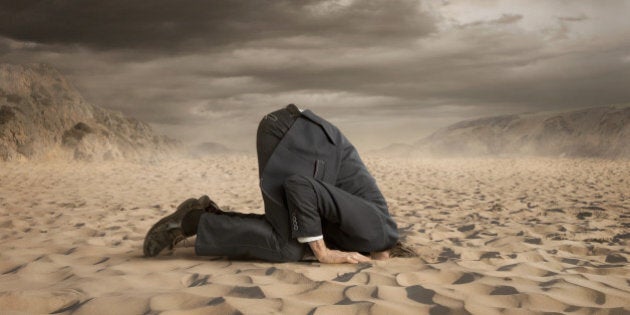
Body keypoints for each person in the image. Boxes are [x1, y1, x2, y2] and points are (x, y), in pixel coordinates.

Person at [143, 104, 405, 263]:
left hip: (299, 135)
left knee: (295, 240)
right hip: (289, 133)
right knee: (287, 248)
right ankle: (192, 221)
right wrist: (324, 254)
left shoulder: (370, 232)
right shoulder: (375, 231)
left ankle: (206, 216)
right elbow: (300, 187)